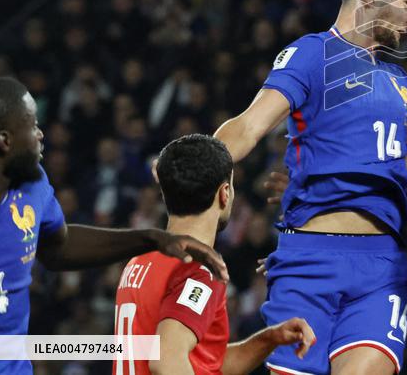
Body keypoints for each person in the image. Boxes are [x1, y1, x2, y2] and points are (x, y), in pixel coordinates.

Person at [213, 0, 407, 375]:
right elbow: (251, 125)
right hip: (310, 259)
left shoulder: (402, 82)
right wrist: (199, 163)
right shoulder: (313, 54)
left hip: (383, 265)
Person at [0, 77, 226, 375]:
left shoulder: (32, 183)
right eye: (32, 126)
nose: (41, 134)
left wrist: (152, 238)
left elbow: (58, 246)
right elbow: (166, 360)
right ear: (5, 140)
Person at [114, 134, 316, 374]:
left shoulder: (139, 262)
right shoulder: (200, 270)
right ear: (225, 193)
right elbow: (167, 361)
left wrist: (269, 339)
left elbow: (202, 363)